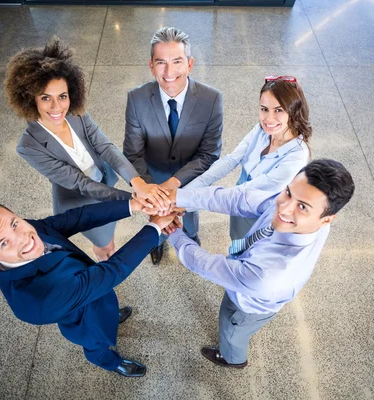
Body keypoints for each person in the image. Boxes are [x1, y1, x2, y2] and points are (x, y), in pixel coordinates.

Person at [0, 198, 179, 377]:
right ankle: (113, 363)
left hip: (93, 294)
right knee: (96, 345)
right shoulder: (38, 300)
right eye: (4, 243)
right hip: (83, 321)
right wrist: (154, 228)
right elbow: (110, 271)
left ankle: (112, 315)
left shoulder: (23, 229)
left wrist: (133, 205)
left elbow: (75, 218)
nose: (25, 238)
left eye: (15, 223)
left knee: (106, 308)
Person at [164, 159, 355, 368]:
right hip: (250, 279)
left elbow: (204, 264)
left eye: (302, 207)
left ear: (327, 219)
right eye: (288, 193)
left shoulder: (268, 276)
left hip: (249, 304)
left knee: (232, 330)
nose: (283, 208)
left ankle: (232, 359)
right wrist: (177, 198)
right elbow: (241, 199)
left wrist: (174, 233)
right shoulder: (311, 218)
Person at [5, 37, 168, 262]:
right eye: (45, 98)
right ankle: (105, 271)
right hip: (82, 203)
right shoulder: (29, 146)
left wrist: (138, 183)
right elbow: (80, 184)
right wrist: (132, 200)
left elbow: (105, 147)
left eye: (62, 96)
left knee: (111, 235)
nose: (57, 107)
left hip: (105, 184)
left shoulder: (76, 114)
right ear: (30, 99)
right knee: (106, 246)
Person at [123, 26, 224, 265]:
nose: (169, 72)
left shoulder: (212, 99)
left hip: (189, 182)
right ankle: (156, 243)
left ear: (189, 64)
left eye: (177, 61)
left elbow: (209, 154)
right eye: (161, 62)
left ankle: (190, 236)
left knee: (190, 220)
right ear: (151, 65)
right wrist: (154, 193)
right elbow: (133, 153)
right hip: (152, 184)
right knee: (156, 223)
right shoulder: (136, 99)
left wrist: (172, 185)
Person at [185, 75, 312, 239]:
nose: (268, 119)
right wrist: (186, 193)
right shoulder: (260, 131)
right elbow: (230, 160)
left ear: (293, 111)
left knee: (247, 255)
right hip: (239, 209)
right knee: (236, 243)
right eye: (264, 109)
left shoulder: (297, 155)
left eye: (278, 110)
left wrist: (185, 200)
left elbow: (245, 192)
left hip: (263, 219)